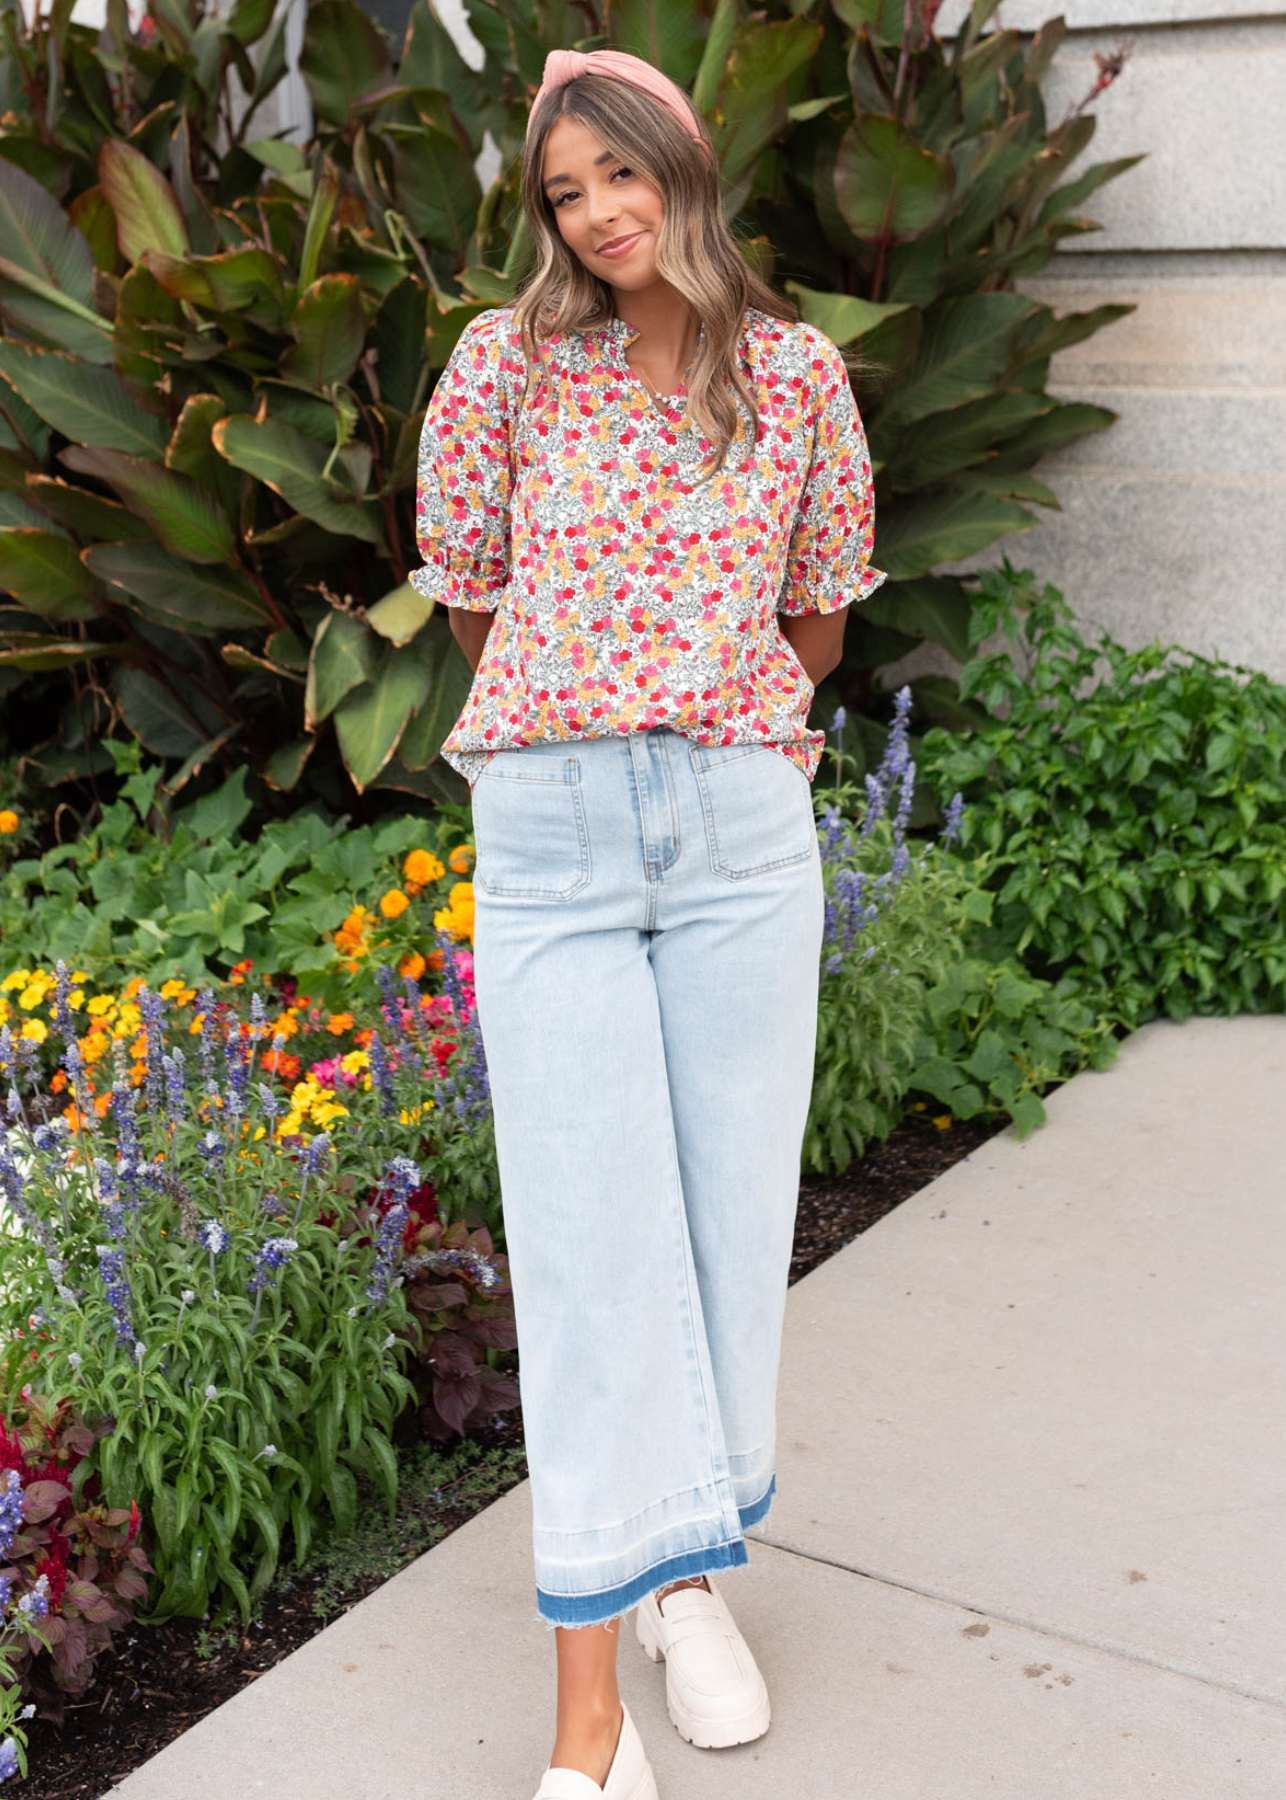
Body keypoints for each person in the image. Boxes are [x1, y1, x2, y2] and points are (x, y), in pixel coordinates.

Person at [408, 45, 886, 1800]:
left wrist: (700, 704)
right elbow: (470, 598)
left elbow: (817, 617)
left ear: (684, 166)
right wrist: (591, 709)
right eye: (563, 192)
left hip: (740, 830)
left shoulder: (795, 377)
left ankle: (687, 1581)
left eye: (620, 173)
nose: (598, 215)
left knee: (718, 1232)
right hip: (552, 835)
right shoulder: (506, 370)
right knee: (591, 1246)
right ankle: (584, 1722)